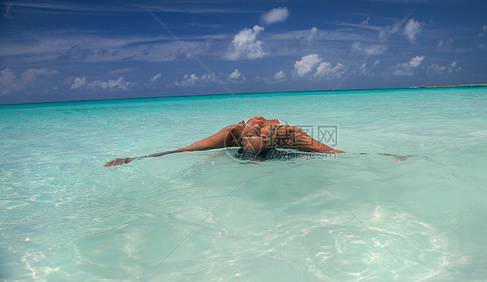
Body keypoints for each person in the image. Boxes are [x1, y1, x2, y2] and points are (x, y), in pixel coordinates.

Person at [104, 115, 344, 167]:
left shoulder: (237, 131)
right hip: (277, 142)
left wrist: (136, 158)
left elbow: (187, 148)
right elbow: (330, 151)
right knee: (328, 152)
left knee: (194, 150)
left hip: (266, 142)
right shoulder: (280, 130)